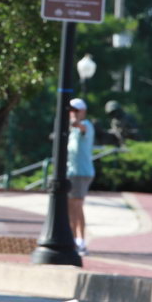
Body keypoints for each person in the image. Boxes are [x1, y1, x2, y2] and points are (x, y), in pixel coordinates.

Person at [68, 97, 95, 256]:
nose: (73, 113)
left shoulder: (86, 126)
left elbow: (81, 127)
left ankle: (80, 241)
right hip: (72, 172)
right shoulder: (71, 131)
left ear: (83, 111)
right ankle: (74, 240)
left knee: (76, 206)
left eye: (76, 110)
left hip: (81, 173)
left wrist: (75, 122)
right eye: (71, 110)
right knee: (70, 207)